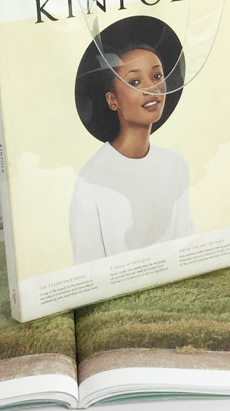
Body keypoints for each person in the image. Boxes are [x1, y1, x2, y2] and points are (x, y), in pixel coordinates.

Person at [70, 33, 196, 265]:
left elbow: (186, 245)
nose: (152, 88)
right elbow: (88, 266)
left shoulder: (176, 164)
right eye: (135, 82)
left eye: (157, 76)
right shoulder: (91, 179)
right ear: (112, 100)